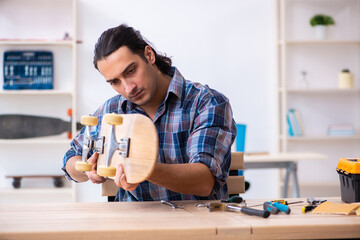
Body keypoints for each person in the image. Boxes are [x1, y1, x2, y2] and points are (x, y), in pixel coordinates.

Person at [62, 24, 237, 201]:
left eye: (131, 71)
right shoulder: (111, 111)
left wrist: (140, 168)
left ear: (149, 55)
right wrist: (87, 168)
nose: (128, 88)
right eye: (115, 82)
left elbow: (204, 181)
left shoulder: (206, 103)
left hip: (198, 224)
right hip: (133, 225)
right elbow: (70, 159)